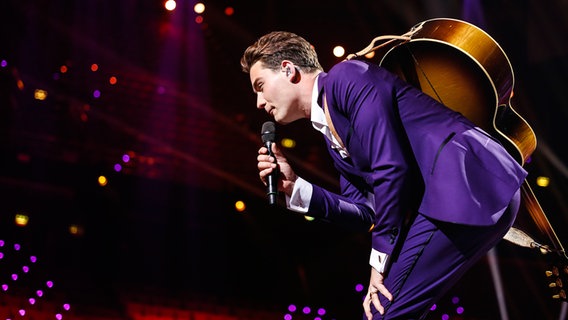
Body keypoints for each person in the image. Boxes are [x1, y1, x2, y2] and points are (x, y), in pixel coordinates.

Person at [240, 31, 527, 320]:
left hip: (468, 183)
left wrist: (378, 263)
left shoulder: (347, 77)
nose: (259, 102)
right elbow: (367, 211)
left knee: (382, 314)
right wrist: (296, 189)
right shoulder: (329, 130)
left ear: (289, 70)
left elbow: (391, 167)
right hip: (463, 195)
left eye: (260, 86)